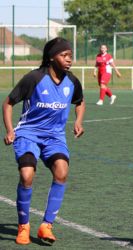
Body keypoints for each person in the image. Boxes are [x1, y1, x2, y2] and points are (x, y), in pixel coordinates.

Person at [2, 37, 85, 245]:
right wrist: (11, 130)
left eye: (70, 56)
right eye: (64, 55)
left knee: (62, 171)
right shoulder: (34, 78)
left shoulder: (72, 81)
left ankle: (46, 226)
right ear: (51, 57)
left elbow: (80, 102)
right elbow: (8, 103)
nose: (69, 60)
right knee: (27, 174)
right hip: (28, 134)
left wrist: (78, 121)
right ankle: (23, 226)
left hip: (54, 137)